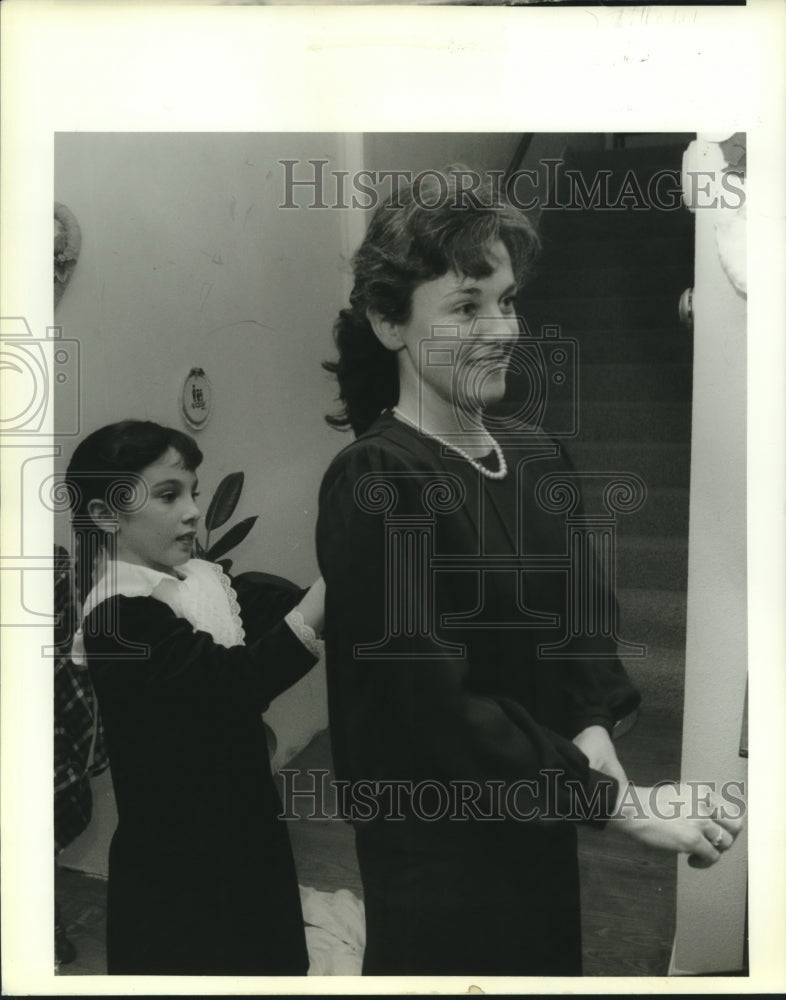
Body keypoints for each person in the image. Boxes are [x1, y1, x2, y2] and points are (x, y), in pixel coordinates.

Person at [316, 166, 743, 976]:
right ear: (387, 322)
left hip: (536, 811)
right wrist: (616, 804)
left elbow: (581, 623)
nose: (502, 329)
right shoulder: (379, 480)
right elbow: (431, 705)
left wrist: (589, 728)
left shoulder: (536, 451)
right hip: (440, 845)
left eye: (505, 301)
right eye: (465, 307)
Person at [65, 419, 325, 975]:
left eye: (193, 493)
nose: (193, 512)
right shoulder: (118, 615)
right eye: (168, 495)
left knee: (261, 951)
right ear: (106, 516)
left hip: (243, 820)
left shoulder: (201, 578)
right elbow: (231, 683)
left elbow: (274, 613)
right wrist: (326, 599)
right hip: (177, 849)